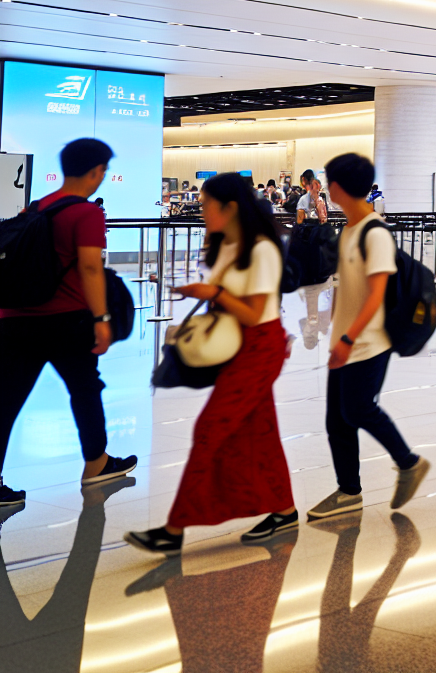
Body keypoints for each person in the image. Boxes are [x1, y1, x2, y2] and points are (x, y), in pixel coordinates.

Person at [124, 172, 294, 552]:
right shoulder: (226, 244)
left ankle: (175, 528)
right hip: (237, 344)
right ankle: (284, 509)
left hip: (259, 346)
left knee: (210, 427)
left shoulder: (261, 248)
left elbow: (253, 314)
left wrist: (212, 291)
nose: (200, 211)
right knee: (260, 432)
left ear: (230, 207)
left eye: (206, 205)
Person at [0, 138, 137, 510]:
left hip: (14, 319)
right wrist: (102, 319)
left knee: (5, 400)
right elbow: (90, 267)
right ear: (95, 171)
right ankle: (97, 464)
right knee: (86, 389)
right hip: (65, 321)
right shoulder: (86, 213)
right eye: (103, 171)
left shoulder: (37, 207)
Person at [303, 154, 431, 523]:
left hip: (370, 342)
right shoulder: (349, 229)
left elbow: (376, 295)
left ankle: (408, 463)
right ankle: (349, 492)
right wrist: (334, 331)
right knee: (336, 420)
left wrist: (348, 337)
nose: (326, 189)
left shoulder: (375, 233)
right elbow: (346, 286)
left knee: (358, 409)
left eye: (329, 183)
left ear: (339, 188)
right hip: (345, 339)